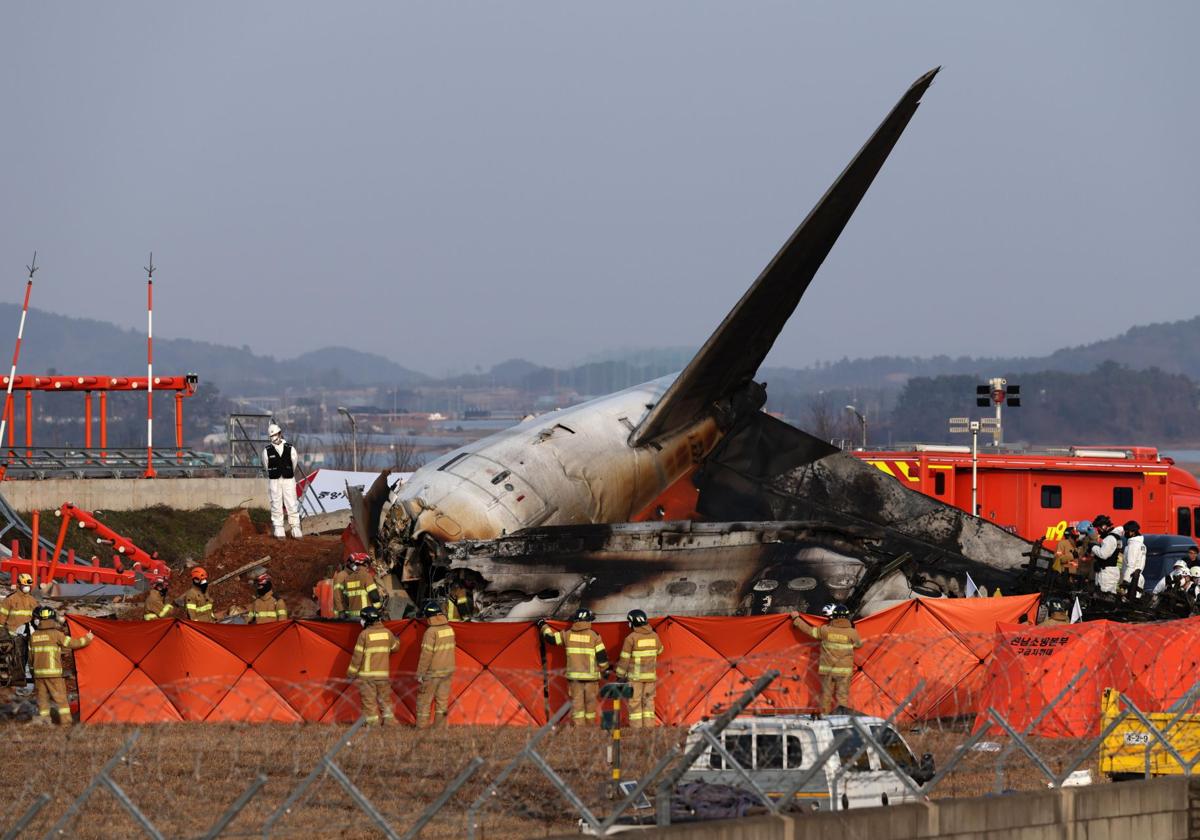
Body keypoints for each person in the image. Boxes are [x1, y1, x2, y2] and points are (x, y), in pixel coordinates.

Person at [540, 608, 609, 725]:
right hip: (591, 679)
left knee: (577, 706)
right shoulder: (594, 636)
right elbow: (602, 657)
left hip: (574, 678)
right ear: (588, 621)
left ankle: (579, 732)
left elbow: (550, 639)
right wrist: (605, 670)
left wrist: (542, 625)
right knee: (590, 705)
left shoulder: (567, 634)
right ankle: (590, 729)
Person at [791, 603, 863, 716]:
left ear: (833, 616)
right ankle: (841, 721)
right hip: (844, 672)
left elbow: (809, 630)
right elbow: (858, 644)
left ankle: (824, 719)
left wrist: (796, 618)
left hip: (828, 671)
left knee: (826, 696)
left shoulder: (825, 630)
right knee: (842, 698)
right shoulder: (852, 633)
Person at [28, 606, 92, 725]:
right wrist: (87, 639)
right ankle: (66, 724)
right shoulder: (56, 634)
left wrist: (33, 672)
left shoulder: (34, 636)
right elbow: (73, 643)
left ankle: (45, 723)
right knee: (61, 700)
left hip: (38, 676)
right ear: (53, 619)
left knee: (43, 701)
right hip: (54, 675)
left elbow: (30, 658)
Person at [346, 605, 399, 725]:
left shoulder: (364, 635)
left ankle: (373, 725)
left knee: (369, 702)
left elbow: (357, 657)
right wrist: (397, 640)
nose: (361, 621)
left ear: (367, 620)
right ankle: (390, 723)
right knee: (385, 700)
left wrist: (351, 674)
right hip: (383, 676)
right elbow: (395, 648)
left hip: (367, 677)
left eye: (362, 619)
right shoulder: (387, 633)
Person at [615, 608, 663, 729]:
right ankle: (648, 730)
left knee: (635, 703)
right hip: (650, 677)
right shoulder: (654, 636)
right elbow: (660, 650)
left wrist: (620, 675)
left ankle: (637, 730)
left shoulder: (631, 638)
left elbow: (624, 659)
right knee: (648, 703)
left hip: (635, 678)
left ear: (633, 622)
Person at [414, 600, 456, 728]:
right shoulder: (450, 629)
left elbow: (426, 655)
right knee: (442, 702)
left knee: (424, 701)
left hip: (433, 673)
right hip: (448, 671)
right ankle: (440, 727)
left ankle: (421, 728)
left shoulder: (430, 632)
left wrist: (420, 674)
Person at [262, 423, 302, 540]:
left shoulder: (290, 448)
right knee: (276, 502)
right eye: (271, 435)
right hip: (274, 480)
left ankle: (295, 527)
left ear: (280, 433)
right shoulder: (266, 450)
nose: (274, 437)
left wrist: (287, 472)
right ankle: (278, 527)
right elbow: (266, 465)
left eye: (275, 434)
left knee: (291, 502)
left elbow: (293, 463)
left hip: (288, 479)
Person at [334, 553, 381, 620]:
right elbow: (374, 595)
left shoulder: (348, 578)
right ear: (366, 564)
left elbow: (346, 598)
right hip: (365, 614)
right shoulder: (366, 576)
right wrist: (378, 607)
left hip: (351, 615)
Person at [1091, 516, 1125, 595]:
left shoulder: (1110, 538)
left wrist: (1093, 546)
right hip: (1112, 571)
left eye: (1098, 529)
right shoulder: (1117, 538)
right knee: (1110, 596)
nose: (1098, 531)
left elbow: (1103, 555)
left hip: (1107, 573)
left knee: (1104, 597)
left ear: (1104, 527)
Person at [1120, 521, 1146, 599]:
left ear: (1132, 532)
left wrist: (1125, 581)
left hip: (1132, 580)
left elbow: (1131, 565)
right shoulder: (1142, 545)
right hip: (1138, 577)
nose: (1125, 533)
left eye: (1126, 531)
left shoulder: (1133, 545)